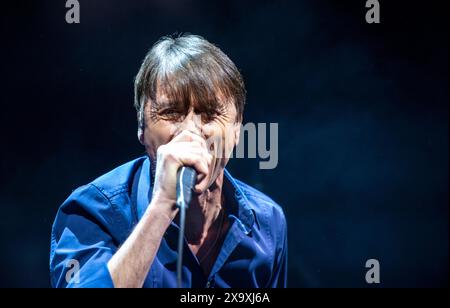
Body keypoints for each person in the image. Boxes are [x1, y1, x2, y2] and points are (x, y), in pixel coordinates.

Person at [50, 34, 287, 288]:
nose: (190, 132)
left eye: (209, 114)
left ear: (237, 130)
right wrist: (162, 205)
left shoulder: (268, 222)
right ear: (141, 126)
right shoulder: (91, 211)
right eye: (171, 113)